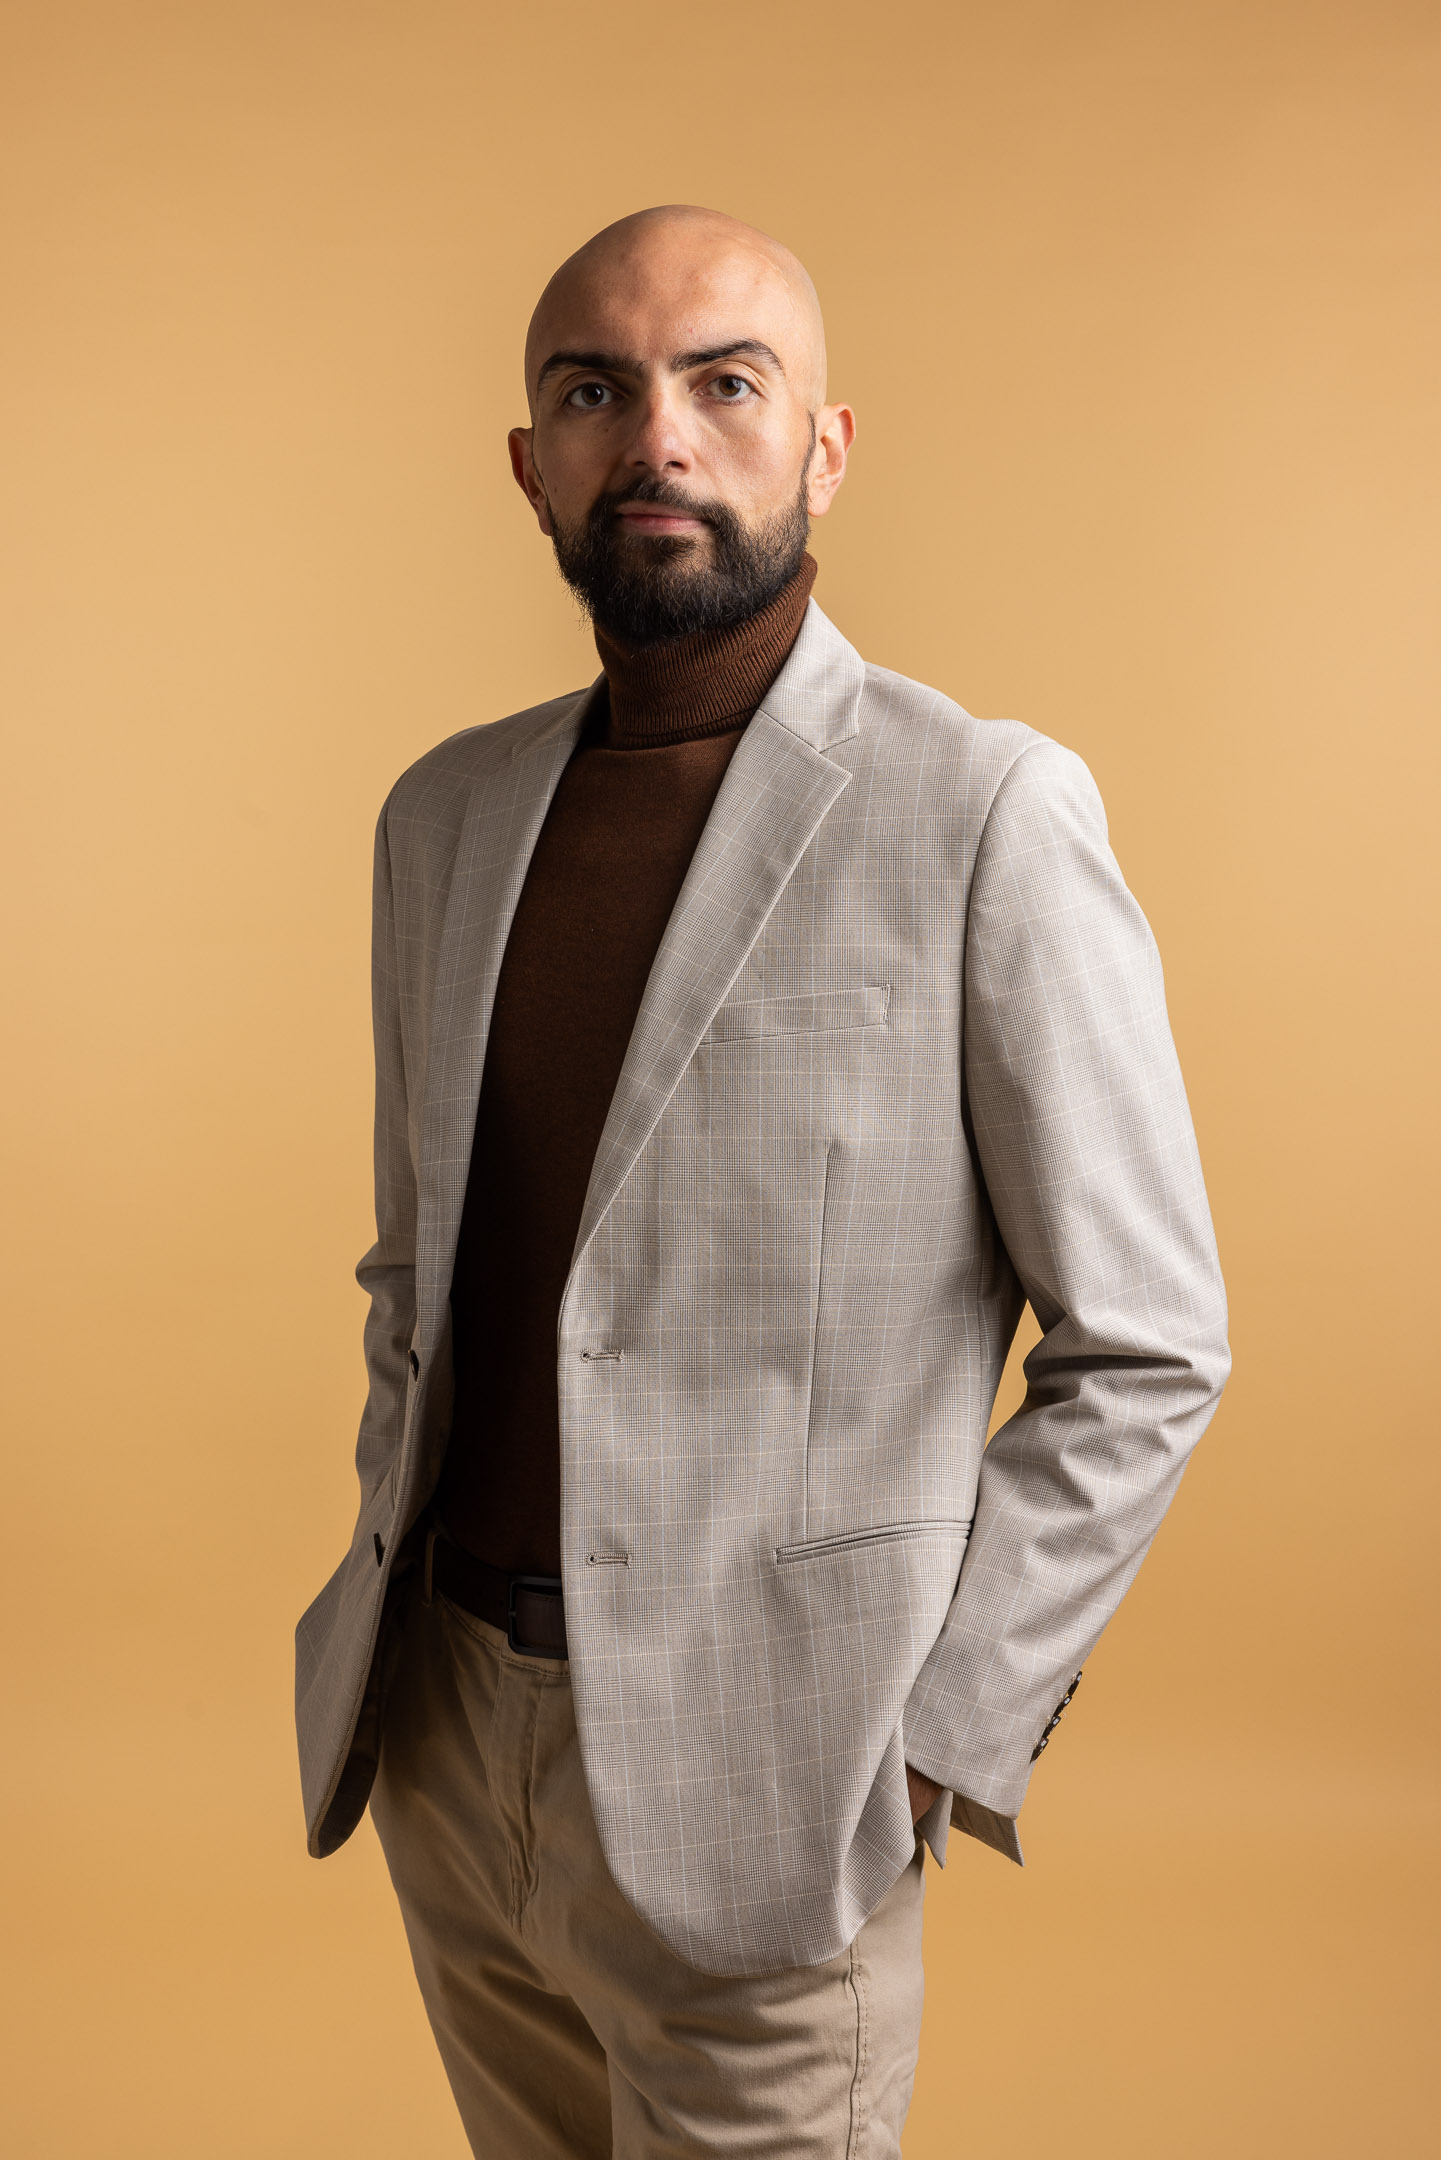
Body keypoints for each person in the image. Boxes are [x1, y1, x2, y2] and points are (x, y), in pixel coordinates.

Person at [294, 203, 1229, 2158]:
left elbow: (1146, 1342)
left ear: (823, 446)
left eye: (726, 383)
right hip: (451, 1742)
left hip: (770, 1784)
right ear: (532, 463)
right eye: (593, 391)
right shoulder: (442, 817)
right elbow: (427, 1266)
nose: (659, 436)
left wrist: (941, 1732)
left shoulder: (978, 813)